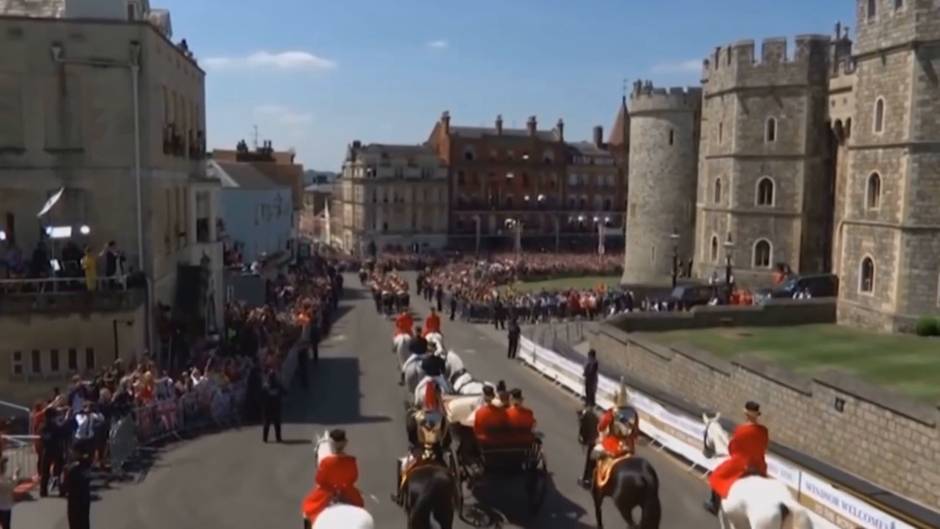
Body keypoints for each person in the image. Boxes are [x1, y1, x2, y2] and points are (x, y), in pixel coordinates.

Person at [704, 401, 769, 515]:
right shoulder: (764, 430)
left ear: (746, 415)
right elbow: (764, 446)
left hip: (742, 464)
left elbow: (732, 449)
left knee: (716, 475)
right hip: (760, 465)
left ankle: (714, 504)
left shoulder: (741, 429)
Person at [580, 380, 638, 488]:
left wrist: (603, 432)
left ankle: (587, 479)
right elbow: (635, 433)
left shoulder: (613, 411)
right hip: (628, 447)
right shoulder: (634, 413)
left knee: (592, 452)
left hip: (612, 445)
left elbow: (601, 426)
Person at [301, 429, 365, 526]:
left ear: (331, 443)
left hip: (327, 493)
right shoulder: (351, 460)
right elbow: (354, 477)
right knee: (361, 508)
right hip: (347, 491)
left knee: (307, 509)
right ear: (345, 443)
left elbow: (319, 480)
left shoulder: (326, 462)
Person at [64, 450, 92, 529]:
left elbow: (65, 484)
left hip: (75, 499)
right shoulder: (87, 465)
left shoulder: (73, 468)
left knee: (75, 521)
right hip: (85, 498)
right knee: (84, 521)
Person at [261, 369, 285, 443]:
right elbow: (285, 392)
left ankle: (265, 439)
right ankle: (278, 438)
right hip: (276, 407)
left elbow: (261, 396)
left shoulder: (265, 386)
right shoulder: (278, 385)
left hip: (267, 408)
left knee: (266, 423)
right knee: (277, 423)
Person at [0, 457, 15, 529]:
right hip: (5, 506)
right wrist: (16, 474)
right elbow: (13, 485)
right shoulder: (5, 481)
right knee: (6, 526)